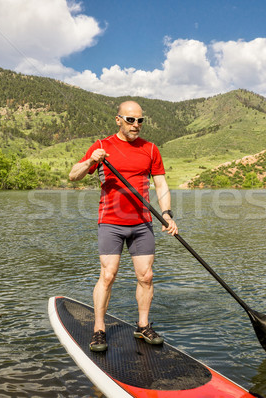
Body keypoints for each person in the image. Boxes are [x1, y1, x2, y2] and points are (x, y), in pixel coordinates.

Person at [69, 100, 178, 352]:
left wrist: (167, 214)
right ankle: (98, 329)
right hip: (111, 222)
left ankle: (142, 326)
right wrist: (90, 161)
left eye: (140, 120)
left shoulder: (150, 149)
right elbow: (73, 175)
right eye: (130, 120)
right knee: (108, 275)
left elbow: (161, 185)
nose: (136, 125)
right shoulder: (101, 146)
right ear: (118, 120)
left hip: (142, 223)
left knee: (146, 276)